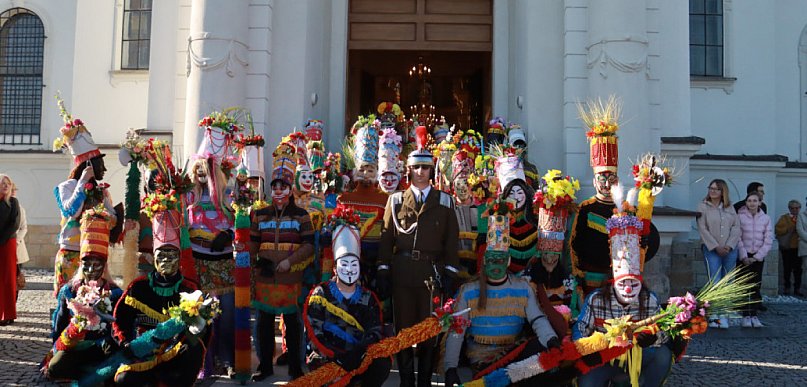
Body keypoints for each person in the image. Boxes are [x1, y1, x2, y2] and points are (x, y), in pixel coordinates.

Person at [444, 201, 560, 387]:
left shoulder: (522, 287)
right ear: (484, 261)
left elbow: (537, 319)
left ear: (508, 262)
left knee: (544, 356)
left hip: (514, 353)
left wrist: (550, 339)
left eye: (500, 259)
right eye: (491, 260)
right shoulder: (469, 291)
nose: (495, 264)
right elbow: (457, 332)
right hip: (482, 360)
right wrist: (450, 368)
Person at [378, 125, 460, 387]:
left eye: (426, 168)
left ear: (432, 171)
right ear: (409, 171)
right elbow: (387, 238)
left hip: (431, 275)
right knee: (403, 330)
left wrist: (451, 273)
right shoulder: (396, 201)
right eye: (416, 167)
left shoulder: (445, 202)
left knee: (429, 331)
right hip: (403, 273)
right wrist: (382, 269)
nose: (421, 172)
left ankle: (424, 381)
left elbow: (451, 243)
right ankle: (406, 382)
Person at [574, 205, 672, 387]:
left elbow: (664, 334)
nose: (628, 289)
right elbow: (581, 327)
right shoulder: (596, 299)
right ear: (613, 282)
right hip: (603, 358)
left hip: (638, 357)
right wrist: (586, 348)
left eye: (633, 284)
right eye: (622, 284)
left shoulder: (650, 300)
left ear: (641, 283)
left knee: (663, 355)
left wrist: (653, 338)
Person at [111, 205, 205, 386]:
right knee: (124, 380)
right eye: (161, 254)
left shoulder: (190, 290)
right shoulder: (138, 288)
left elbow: (202, 332)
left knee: (194, 349)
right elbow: (119, 319)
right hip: (143, 355)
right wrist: (125, 343)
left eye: (172, 254)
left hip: (174, 355)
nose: (166, 260)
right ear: (153, 257)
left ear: (179, 257)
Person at [303, 206, 390, 386]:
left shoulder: (368, 297)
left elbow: (375, 331)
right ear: (335, 268)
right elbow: (314, 332)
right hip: (329, 356)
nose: (349, 269)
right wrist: (336, 356)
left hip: (359, 356)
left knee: (381, 361)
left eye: (354, 264)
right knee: (318, 363)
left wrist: (358, 352)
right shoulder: (321, 294)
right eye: (344, 264)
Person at [249, 140, 314, 381]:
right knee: (264, 324)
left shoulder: (302, 215)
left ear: (290, 189)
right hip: (265, 277)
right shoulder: (260, 214)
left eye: (283, 186)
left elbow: (309, 246)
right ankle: (265, 366)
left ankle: (296, 368)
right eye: (275, 186)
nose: (278, 190)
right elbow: (253, 242)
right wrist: (249, 254)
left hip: (290, 276)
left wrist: (289, 262)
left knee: (292, 323)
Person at [46, 207, 122, 381]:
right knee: (55, 368)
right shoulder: (69, 291)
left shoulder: (115, 292)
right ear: (80, 264)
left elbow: (120, 327)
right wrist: (60, 345)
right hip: (75, 346)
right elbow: (59, 324)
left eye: (97, 264)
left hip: (102, 348)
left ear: (104, 266)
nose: (91, 269)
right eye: (87, 264)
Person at [52, 99, 116, 294]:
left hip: (94, 253)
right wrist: (82, 183)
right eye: (99, 164)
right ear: (87, 165)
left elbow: (112, 218)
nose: (103, 169)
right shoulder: (66, 187)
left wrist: (108, 215)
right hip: (71, 252)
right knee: (68, 299)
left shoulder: (102, 190)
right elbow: (71, 210)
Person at [696, 178, 741, 329]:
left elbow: (736, 227)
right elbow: (702, 229)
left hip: (730, 249)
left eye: (716, 189)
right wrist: (716, 247)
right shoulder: (703, 206)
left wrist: (728, 246)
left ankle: (724, 314)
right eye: (711, 188)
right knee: (714, 282)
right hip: (711, 249)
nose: (712, 191)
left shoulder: (729, 208)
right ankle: (714, 314)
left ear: (723, 192)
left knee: (728, 282)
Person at [736, 191, 772, 328]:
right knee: (744, 285)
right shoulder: (739, 217)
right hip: (743, 256)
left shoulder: (766, 218)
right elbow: (737, 237)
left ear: (760, 203)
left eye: (755, 201)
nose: (752, 203)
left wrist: (757, 257)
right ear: (746, 202)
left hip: (757, 257)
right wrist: (744, 255)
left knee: (755, 285)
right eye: (749, 200)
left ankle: (754, 314)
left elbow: (768, 239)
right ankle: (745, 314)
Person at [0, 174, 21, 326]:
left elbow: (15, 224)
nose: (5, 186)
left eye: (8, 183)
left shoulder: (13, 202)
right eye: (2, 183)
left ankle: (8, 314)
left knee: (8, 279)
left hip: (7, 244)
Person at [776, 200, 803, 296]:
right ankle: (787, 287)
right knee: (787, 268)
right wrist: (788, 229)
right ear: (789, 208)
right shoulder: (784, 218)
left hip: (799, 248)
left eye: (797, 208)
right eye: (792, 208)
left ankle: (797, 288)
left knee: (798, 269)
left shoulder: (803, 217)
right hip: (787, 248)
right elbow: (778, 229)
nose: (795, 210)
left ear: (800, 208)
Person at [12, 184, 28, 302]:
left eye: (14, 190)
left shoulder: (19, 208)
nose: (12, 192)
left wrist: (16, 240)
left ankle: (13, 303)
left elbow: (23, 227)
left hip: (16, 247)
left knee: (16, 278)